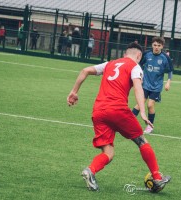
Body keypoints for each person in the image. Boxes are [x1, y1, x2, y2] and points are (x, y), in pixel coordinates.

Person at [67, 42, 171, 192]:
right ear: (139, 55)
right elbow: (138, 87)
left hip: (99, 111)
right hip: (117, 110)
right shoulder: (135, 66)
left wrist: (74, 91)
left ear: (124, 54)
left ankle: (90, 170)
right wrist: (142, 111)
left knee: (108, 152)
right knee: (141, 141)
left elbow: (85, 70)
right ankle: (157, 177)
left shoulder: (110, 63)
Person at [132, 36, 173, 134]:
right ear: (152, 45)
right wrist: (140, 77)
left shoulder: (165, 58)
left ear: (162, 46)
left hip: (156, 86)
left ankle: (150, 126)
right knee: (139, 104)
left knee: (150, 105)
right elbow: (139, 65)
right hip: (145, 84)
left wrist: (168, 82)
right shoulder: (147, 54)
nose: (156, 47)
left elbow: (170, 71)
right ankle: (127, 123)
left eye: (159, 45)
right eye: (155, 45)